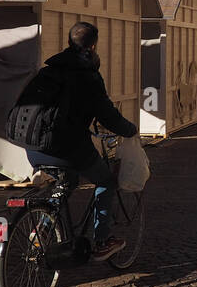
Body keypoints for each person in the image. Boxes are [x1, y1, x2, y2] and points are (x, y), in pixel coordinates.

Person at [21, 21, 137, 261]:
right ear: (93, 46)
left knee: (68, 181)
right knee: (105, 180)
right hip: (66, 147)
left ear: (68, 43)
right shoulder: (88, 76)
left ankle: (42, 226)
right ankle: (102, 241)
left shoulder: (48, 71)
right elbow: (108, 115)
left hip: (33, 146)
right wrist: (130, 130)